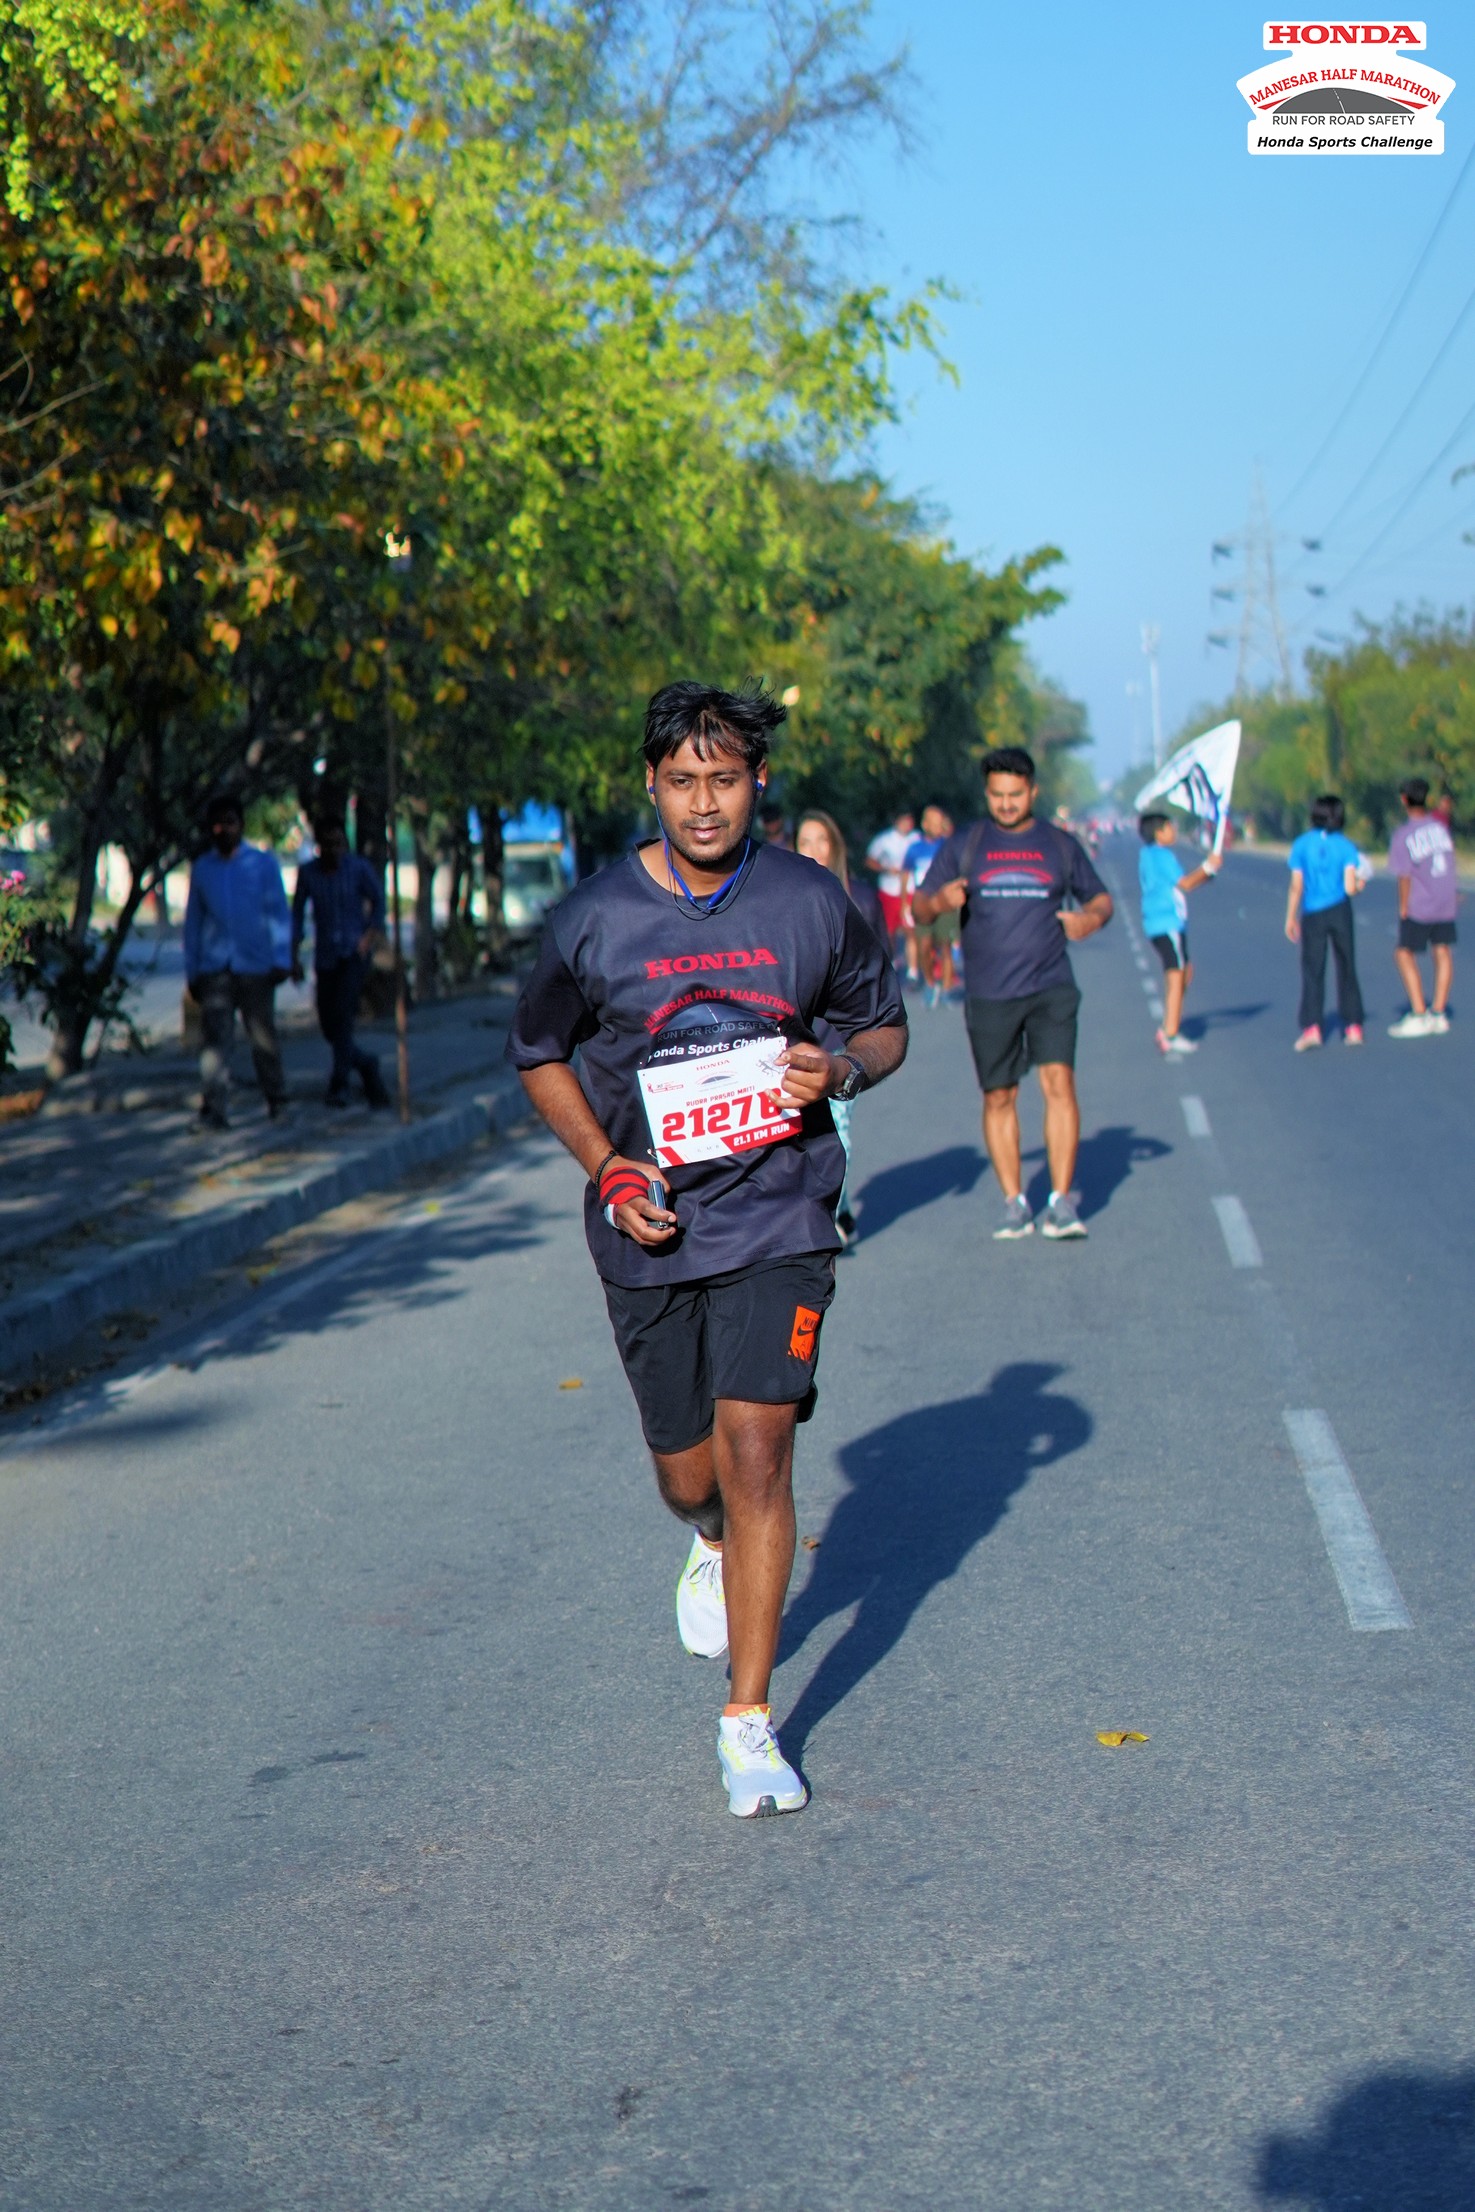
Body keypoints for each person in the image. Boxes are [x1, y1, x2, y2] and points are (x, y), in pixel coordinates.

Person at [508, 683, 907, 1818]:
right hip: (649, 1225)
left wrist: (842, 1070)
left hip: (779, 1212)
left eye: (723, 780)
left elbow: (883, 1025)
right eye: (681, 781)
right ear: (650, 784)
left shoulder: (809, 901)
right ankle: (710, 1537)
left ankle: (748, 1722)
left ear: (756, 783)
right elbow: (538, 1052)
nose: (701, 803)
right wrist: (607, 1166)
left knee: (760, 1452)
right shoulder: (594, 918)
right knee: (693, 1477)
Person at [912, 746, 1112, 1241]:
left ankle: (1060, 1202)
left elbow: (1100, 898)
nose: (1005, 803)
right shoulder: (967, 843)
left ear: (1033, 791)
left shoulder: (1060, 845)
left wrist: (1090, 920)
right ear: (987, 793)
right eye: (997, 794)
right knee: (999, 1095)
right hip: (989, 993)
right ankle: (1014, 1203)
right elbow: (919, 906)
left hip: (1051, 985)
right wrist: (940, 901)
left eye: (1015, 794)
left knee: (1059, 1084)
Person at [794, 808, 883, 1246]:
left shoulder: (860, 900)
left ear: (836, 846)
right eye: (804, 842)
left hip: (840, 1043)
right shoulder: (781, 901)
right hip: (795, 1040)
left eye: (821, 841)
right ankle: (841, 1210)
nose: (813, 850)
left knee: (838, 1130)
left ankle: (826, 1219)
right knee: (803, 1137)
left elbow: (878, 972)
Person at [183, 794, 291, 1131]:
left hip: (256, 966)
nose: (223, 830)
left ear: (241, 825)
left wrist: (282, 957)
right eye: (217, 824)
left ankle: (277, 1101)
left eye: (229, 822)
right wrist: (193, 970)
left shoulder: (262, 864)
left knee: (263, 1038)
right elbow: (194, 922)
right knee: (215, 1044)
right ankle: (213, 1110)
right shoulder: (203, 869)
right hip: (216, 968)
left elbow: (277, 912)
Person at [290, 814, 392, 1108]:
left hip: (352, 954)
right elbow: (297, 914)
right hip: (325, 956)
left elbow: (378, 900)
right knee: (328, 1024)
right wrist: (293, 955)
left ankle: (340, 1082)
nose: (334, 850)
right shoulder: (309, 873)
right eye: (328, 844)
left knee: (343, 1017)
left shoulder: (357, 868)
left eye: (338, 843)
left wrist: (369, 935)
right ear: (319, 846)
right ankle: (365, 1062)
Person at [1285, 796, 1366, 1051]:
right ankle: (1353, 1026)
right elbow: (1350, 887)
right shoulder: (1346, 846)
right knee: (1347, 966)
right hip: (1340, 910)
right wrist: (1361, 884)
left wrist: (1290, 917)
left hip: (1313, 913)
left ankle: (1312, 1028)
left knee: (1313, 970)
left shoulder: (1301, 845)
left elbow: (1296, 886)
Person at [1138, 811, 1220, 1055]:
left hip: (1158, 923)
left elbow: (1186, 882)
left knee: (1186, 972)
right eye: (1169, 827)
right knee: (1176, 976)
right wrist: (1208, 866)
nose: (1173, 830)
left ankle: (1169, 1022)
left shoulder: (1146, 854)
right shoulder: (1162, 856)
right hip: (1167, 922)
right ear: (1158, 832)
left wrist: (1207, 873)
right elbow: (1185, 883)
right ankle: (1170, 1034)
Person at [1388, 776, 1457, 1037]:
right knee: (1442, 951)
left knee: (1403, 953)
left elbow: (1404, 876)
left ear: (1404, 800)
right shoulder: (1440, 829)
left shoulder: (1404, 835)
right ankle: (1439, 1013)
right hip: (1444, 900)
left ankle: (1419, 1013)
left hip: (1421, 903)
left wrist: (1403, 906)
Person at [904, 803, 958, 1006]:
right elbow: (905, 875)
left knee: (945, 947)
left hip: (944, 902)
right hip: (922, 902)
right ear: (925, 824)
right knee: (924, 946)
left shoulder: (948, 846)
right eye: (933, 822)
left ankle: (946, 990)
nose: (936, 826)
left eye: (939, 822)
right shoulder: (915, 849)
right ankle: (929, 983)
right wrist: (904, 902)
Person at [865, 807, 918, 979]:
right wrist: (886, 869)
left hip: (910, 890)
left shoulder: (916, 838)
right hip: (888, 890)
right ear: (897, 821)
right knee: (889, 931)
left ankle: (913, 971)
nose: (908, 824)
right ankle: (893, 961)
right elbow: (869, 861)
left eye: (910, 820)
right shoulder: (884, 840)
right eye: (904, 820)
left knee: (910, 929)